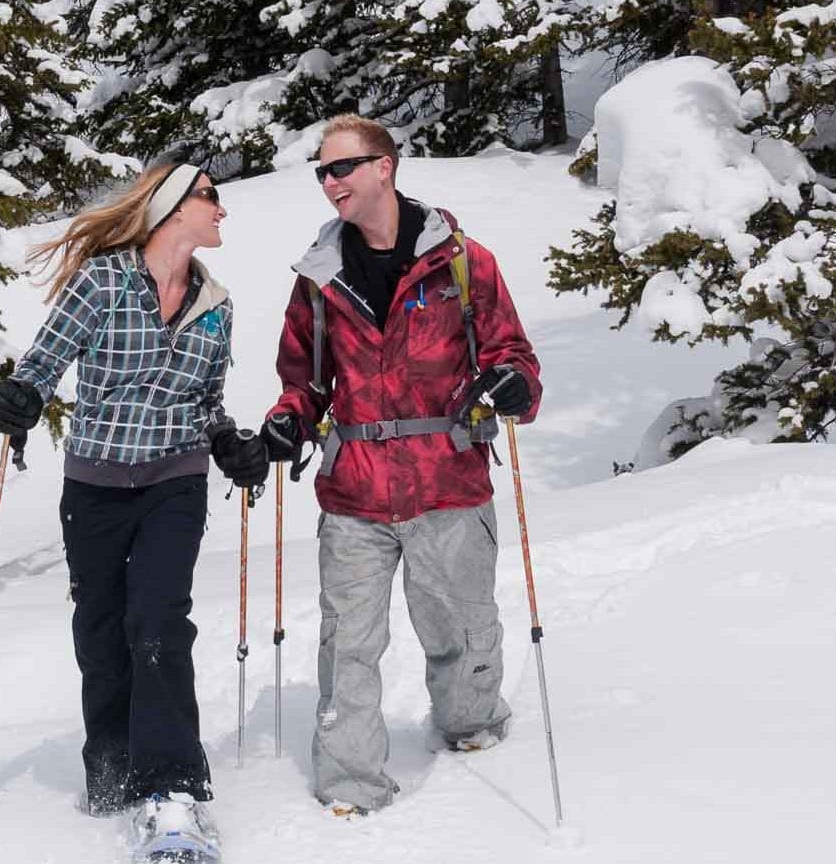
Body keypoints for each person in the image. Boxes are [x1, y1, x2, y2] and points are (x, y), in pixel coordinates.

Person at [259, 114, 542, 817]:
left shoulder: (463, 263)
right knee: (348, 644)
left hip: (447, 481)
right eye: (322, 173)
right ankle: (350, 782)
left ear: (384, 166)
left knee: (461, 626)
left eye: (341, 168)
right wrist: (291, 416)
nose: (330, 184)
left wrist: (513, 385)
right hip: (354, 491)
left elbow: (514, 356)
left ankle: (472, 725)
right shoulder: (319, 279)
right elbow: (303, 380)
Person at [0, 163, 268, 850]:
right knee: (103, 633)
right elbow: (43, 365)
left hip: (175, 479)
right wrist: (19, 400)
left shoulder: (216, 303)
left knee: (159, 619)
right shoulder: (103, 281)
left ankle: (171, 787)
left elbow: (202, 402)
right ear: (173, 211)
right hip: (96, 485)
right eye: (211, 199)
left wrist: (229, 442)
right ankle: (112, 772)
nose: (222, 211)